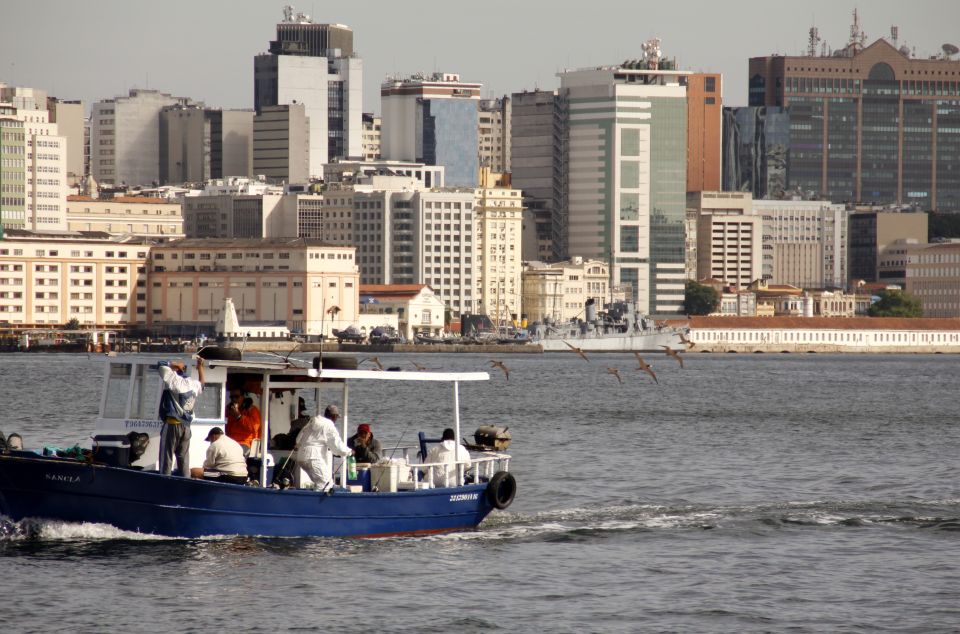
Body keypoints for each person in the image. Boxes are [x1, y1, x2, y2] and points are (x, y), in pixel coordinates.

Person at [158, 357, 205, 477]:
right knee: (183, 459)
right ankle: (185, 482)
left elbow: (161, 363)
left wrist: (174, 364)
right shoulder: (193, 384)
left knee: (166, 457)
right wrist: (200, 368)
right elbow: (202, 384)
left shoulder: (174, 381)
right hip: (186, 427)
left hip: (173, 425)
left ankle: (164, 483)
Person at [294, 409, 352, 492]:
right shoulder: (329, 426)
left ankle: (312, 498)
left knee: (321, 482)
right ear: (334, 416)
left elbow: (298, 439)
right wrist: (349, 452)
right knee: (326, 483)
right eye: (336, 417)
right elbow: (336, 445)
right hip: (313, 457)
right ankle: (317, 503)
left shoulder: (312, 422)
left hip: (301, 457)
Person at [225, 388, 261, 452]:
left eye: (236, 397)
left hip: (245, 443)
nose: (234, 399)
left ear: (243, 397)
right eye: (232, 397)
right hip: (230, 442)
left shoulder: (252, 410)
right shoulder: (229, 410)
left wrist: (239, 416)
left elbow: (254, 427)